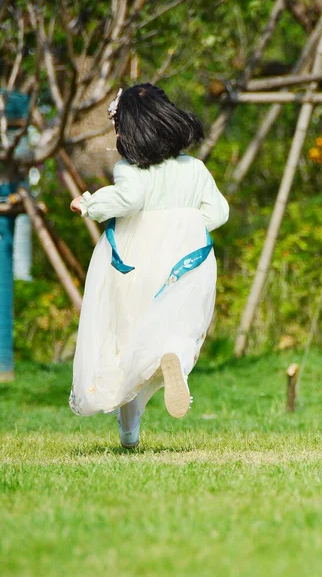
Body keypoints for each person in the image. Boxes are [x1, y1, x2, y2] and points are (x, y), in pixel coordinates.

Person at [69, 83, 229, 449]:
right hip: (186, 263)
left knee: (125, 340)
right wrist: (185, 225)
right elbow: (218, 213)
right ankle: (174, 355)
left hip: (136, 263)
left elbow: (129, 199)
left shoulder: (130, 170)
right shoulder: (196, 169)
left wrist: (88, 204)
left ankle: (129, 429)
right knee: (183, 325)